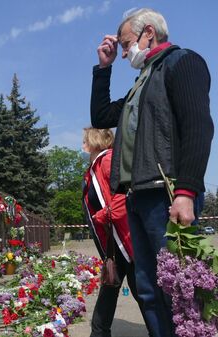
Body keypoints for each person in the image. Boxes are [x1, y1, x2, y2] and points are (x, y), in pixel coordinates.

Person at [90, 8, 214, 337]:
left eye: (127, 44)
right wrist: (103, 69)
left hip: (167, 194)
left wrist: (187, 191)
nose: (125, 53)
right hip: (137, 196)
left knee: (177, 290)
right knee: (147, 289)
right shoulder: (140, 83)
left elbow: (198, 128)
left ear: (149, 32)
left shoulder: (181, 62)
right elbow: (101, 115)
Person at [81, 127, 148, 337]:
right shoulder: (95, 167)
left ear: (94, 141)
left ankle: (163, 329)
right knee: (111, 285)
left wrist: (102, 216)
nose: (82, 143)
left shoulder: (108, 160)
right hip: (115, 241)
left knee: (141, 290)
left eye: (85, 139)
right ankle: (99, 333)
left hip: (126, 239)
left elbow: (126, 196)